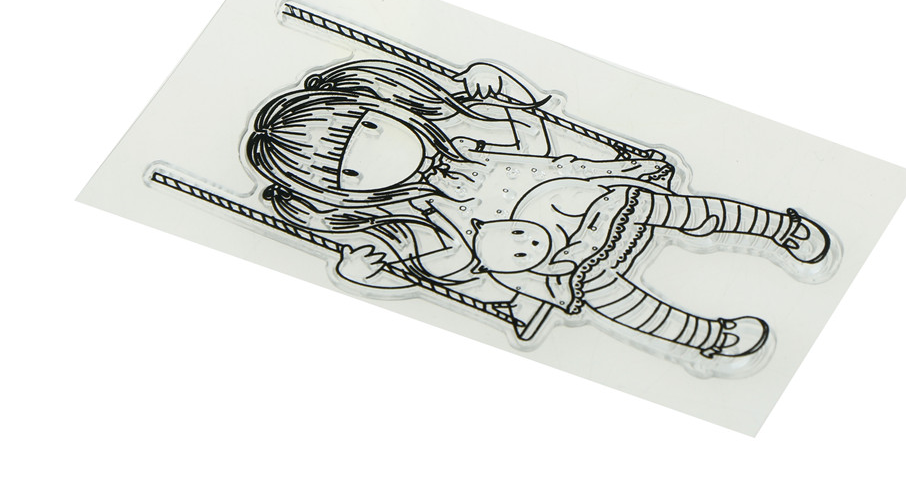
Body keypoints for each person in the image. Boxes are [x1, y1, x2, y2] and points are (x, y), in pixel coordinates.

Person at [245, 58, 831, 366]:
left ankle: (778, 228)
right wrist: (373, 262)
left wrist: (495, 90)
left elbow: (537, 131)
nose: (381, 153)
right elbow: (447, 265)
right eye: (349, 169)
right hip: (552, 260)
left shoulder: (473, 132)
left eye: (370, 128)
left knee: (680, 210)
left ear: (387, 107)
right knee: (607, 295)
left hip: (594, 198)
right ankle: (706, 336)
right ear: (346, 192)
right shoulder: (418, 221)